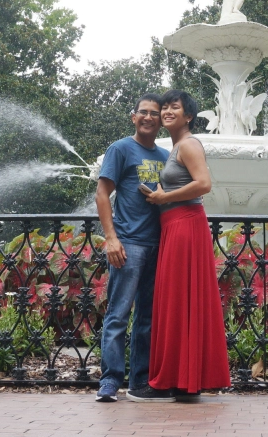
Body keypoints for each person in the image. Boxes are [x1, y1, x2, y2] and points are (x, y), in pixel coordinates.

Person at [143, 89, 231, 400]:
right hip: (174, 226)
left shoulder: (189, 144)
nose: (167, 111)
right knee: (177, 300)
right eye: (164, 107)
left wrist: (163, 197)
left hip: (184, 224)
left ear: (188, 116)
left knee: (180, 299)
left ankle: (180, 380)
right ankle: (183, 379)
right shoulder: (176, 146)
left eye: (174, 108)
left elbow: (204, 184)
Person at [94, 93, 174, 403]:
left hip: (160, 245)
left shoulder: (166, 156)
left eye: (155, 113)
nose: (149, 117)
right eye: (144, 112)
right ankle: (110, 381)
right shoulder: (121, 149)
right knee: (118, 314)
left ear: (160, 120)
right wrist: (111, 238)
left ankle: (141, 382)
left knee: (148, 318)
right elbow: (102, 194)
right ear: (134, 117)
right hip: (129, 244)